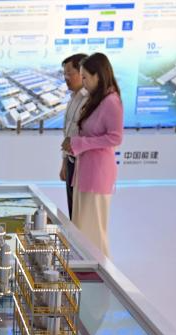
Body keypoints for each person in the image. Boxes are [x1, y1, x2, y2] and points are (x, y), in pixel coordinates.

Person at [62, 52, 123, 258]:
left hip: (97, 173)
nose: (84, 82)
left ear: (98, 75)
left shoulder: (111, 101)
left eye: (85, 77)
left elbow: (115, 137)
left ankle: (101, 270)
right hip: (84, 170)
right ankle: (84, 266)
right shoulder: (97, 100)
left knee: (93, 230)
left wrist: (80, 143)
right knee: (81, 227)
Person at [59, 53, 89, 221]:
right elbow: (68, 134)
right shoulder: (73, 99)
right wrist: (64, 162)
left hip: (84, 164)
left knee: (83, 215)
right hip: (71, 162)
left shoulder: (90, 100)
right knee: (73, 212)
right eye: (64, 74)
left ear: (82, 72)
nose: (66, 78)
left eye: (69, 73)